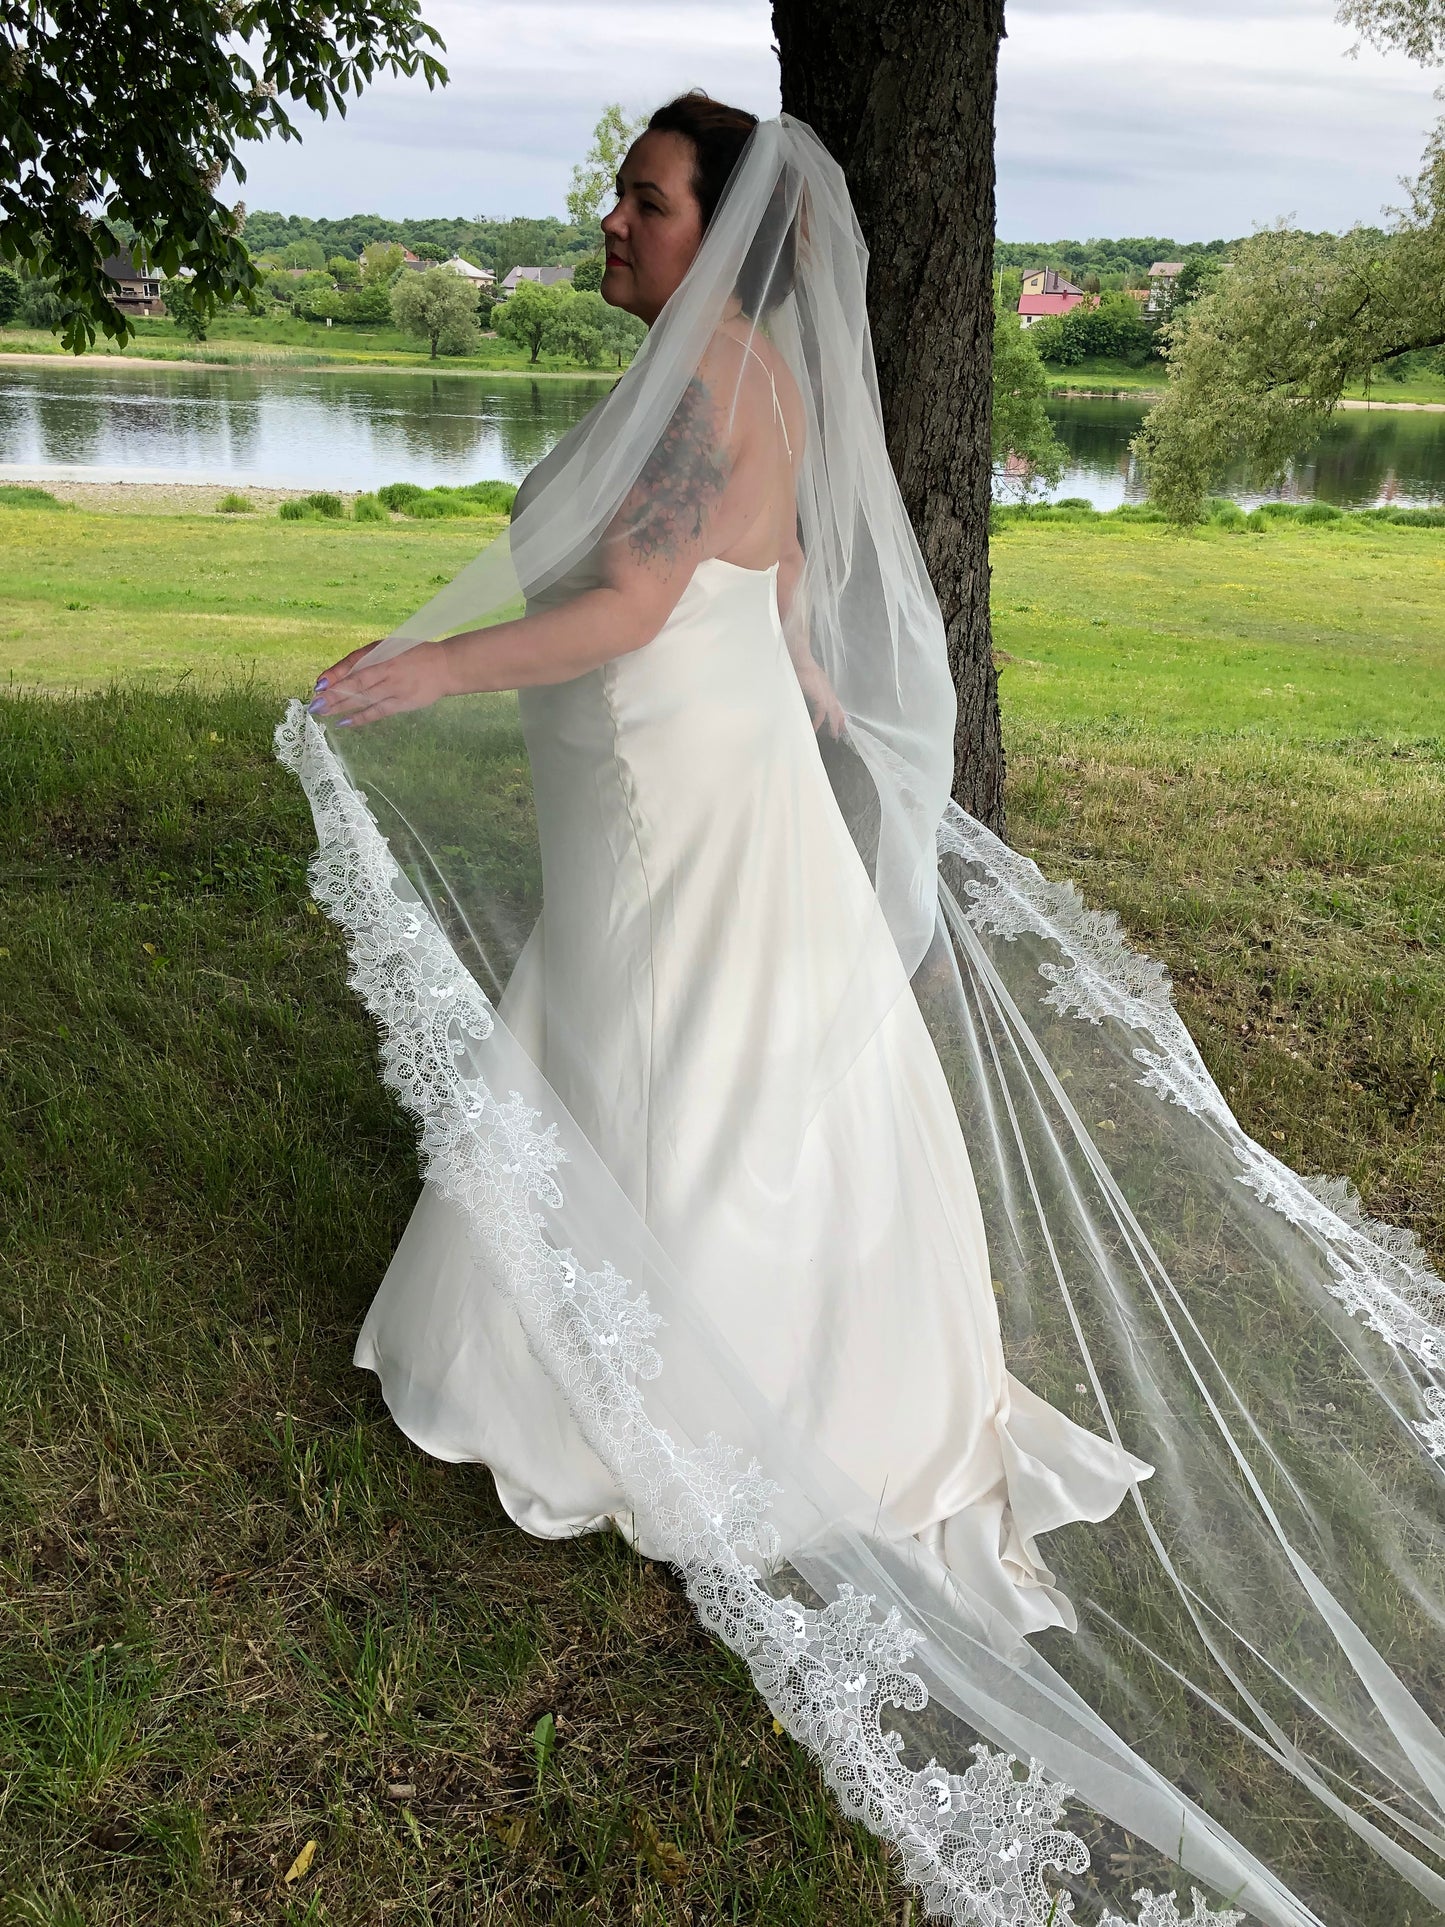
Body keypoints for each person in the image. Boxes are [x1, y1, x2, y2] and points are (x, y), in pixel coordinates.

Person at [282, 94, 1445, 1927]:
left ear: (721, 231)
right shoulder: (743, 370)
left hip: (669, 787)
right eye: (617, 196)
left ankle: (688, 1394)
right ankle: (749, 1353)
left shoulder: (703, 379)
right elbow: (779, 577)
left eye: (647, 203)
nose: (613, 224)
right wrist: (812, 684)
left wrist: (429, 663)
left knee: (691, 1048)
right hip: (682, 757)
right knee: (702, 1044)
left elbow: (645, 589)